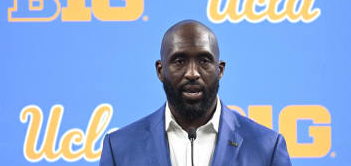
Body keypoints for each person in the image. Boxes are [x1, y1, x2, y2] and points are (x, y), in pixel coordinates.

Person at [99, 20, 292, 166]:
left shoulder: (267, 147)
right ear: (160, 70)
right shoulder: (119, 148)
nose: (192, 73)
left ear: (220, 70)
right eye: (179, 61)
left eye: (204, 61)